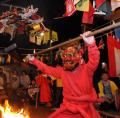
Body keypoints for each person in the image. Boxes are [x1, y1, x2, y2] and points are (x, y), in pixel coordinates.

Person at [27, 31, 101, 118]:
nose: (68, 58)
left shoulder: (87, 69)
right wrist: (33, 60)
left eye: (71, 55)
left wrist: (91, 44)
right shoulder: (62, 72)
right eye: (65, 56)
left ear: (79, 56)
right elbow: (46, 69)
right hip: (68, 110)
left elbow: (94, 59)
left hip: (85, 110)